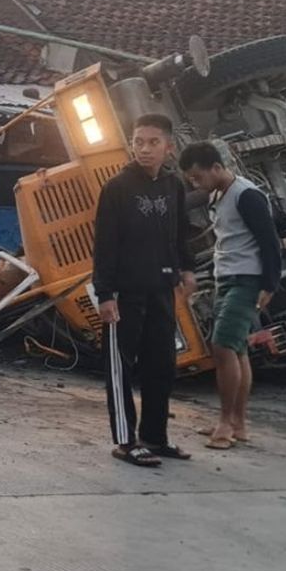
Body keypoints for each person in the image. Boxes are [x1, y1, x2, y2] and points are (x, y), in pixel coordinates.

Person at [93, 112, 196, 468]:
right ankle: (125, 440)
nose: (144, 149)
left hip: (162, 289)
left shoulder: (173, 185)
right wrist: (104, 294)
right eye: (138, 142)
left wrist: (187, 268)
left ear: (169, 147)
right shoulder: (117, 188)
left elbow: (180, 232)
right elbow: (104, 245)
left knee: (162, 365)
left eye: (153, 143)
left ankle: (155, 436)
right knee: (121, 367)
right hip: (124, 294)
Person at [179, 142, 282, 450]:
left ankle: (226, 423)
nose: (197, 184)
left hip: (247, 280)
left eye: (198, 177)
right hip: (226, 278)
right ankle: (238, 423)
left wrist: (269, 285)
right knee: (237, 351)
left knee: (221, 346)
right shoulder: (217, 194)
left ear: (216, 167)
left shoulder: (246, 195)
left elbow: (270, 241)